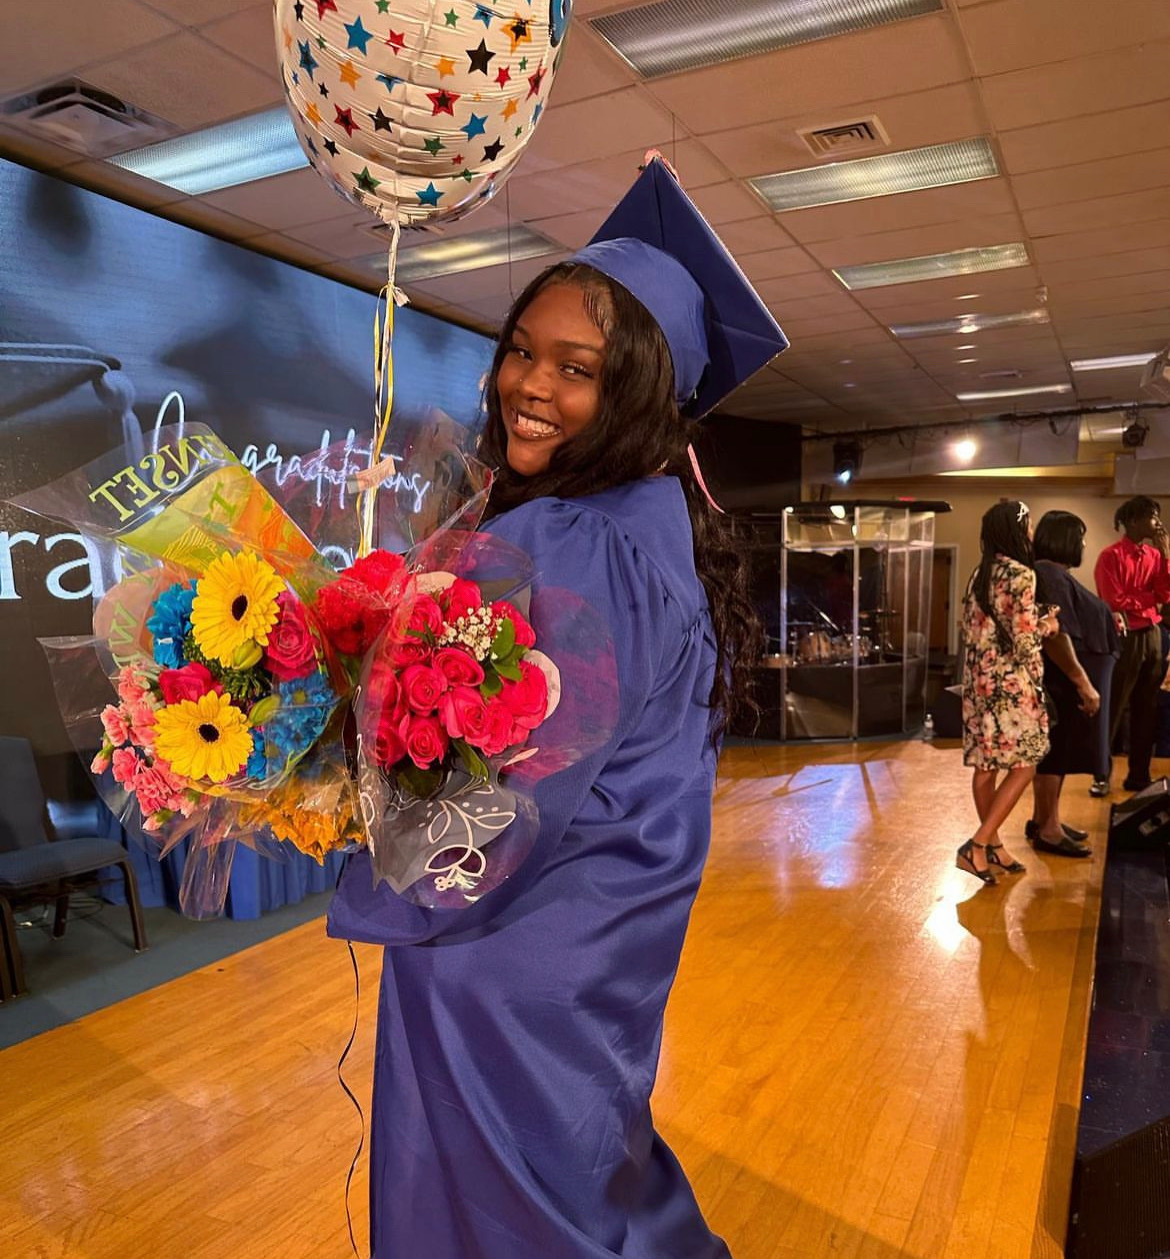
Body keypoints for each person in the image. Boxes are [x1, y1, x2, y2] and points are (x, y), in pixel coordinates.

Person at [326, 156, 787, 1258]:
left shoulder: (571, 538)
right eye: (522, 351)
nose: (530, 384)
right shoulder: (650, 521)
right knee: (593, 1169)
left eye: (575, 368)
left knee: (510, 1206)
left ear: (634, 394)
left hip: (507, 940)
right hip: (601, 932)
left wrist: (359, 831)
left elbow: (505, 786)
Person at [958, 501, 1058, 885]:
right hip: (1011, 686)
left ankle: (994, 846)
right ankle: (978, 844)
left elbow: (970, 630)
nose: (1032, 532)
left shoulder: (979, 574)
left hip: (979, 681)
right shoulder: (1021, 574)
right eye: (1029, 524)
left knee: (986, 766)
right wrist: (1047, 626)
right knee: (1026, 764)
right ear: (1019, 529)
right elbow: (1024, 642)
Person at [1026, 511, 1118, 857]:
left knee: (1058, 752)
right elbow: (1058, 635)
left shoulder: (1053, 574)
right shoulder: (1048, 574)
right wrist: (1083, 682)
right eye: (1079, 538)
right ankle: (1048, 830)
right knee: (1056, 751)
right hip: (1062, 681)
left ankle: (1044, 820)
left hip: (1065, 678)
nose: (1082, 544)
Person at [1094, 495, 1170, 793]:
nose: (1158, 522)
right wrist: (1150, 601)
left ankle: (1138, 776)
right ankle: (1101, 775)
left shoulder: (1154, 555)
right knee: (1115, 706)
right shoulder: (1110, 556)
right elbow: (1113, 601)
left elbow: (1166, 594)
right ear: (1134, 520)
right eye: (1152, 516)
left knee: (1146, 709)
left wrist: (1165, 555)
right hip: (1125, 636)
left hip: (1152, 635)